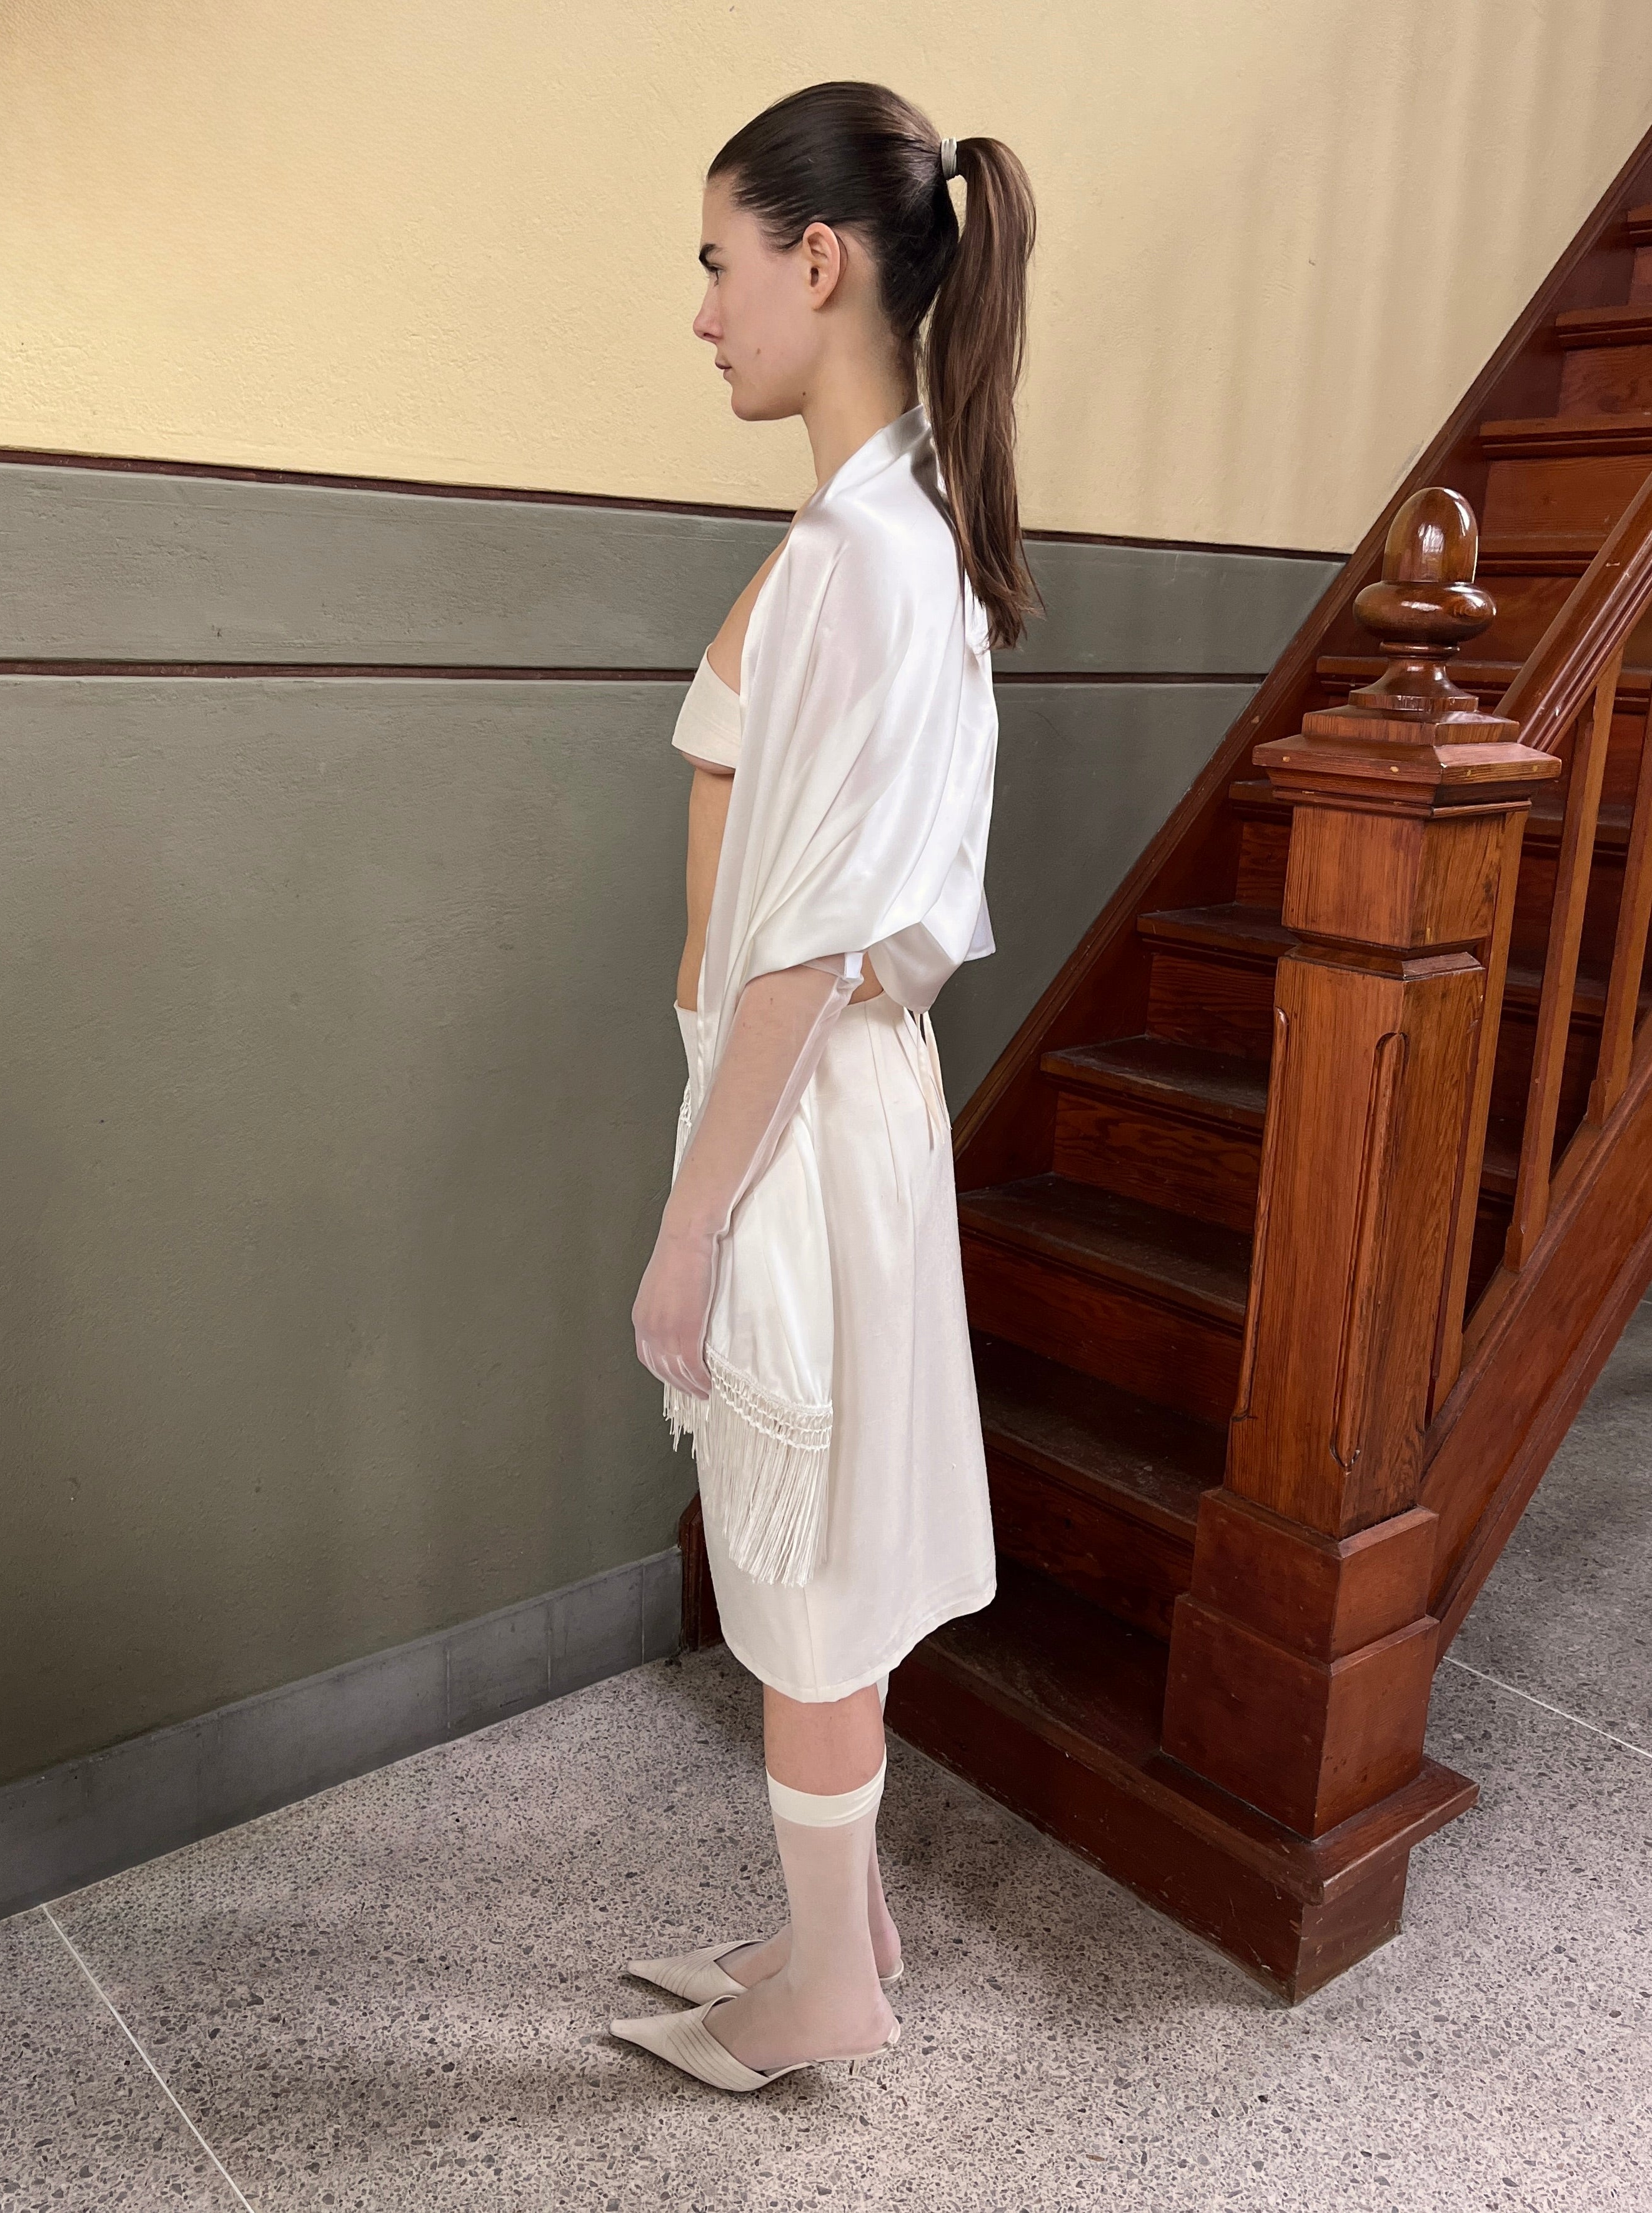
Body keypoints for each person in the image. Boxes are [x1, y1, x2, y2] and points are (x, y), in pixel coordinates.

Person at [614, 79, 1037, 2094]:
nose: (703, 312)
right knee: (817, 1541)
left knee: (799, 1567)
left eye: (720, 265)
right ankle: (833, 1925)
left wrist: (689, 1227)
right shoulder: (875, 529)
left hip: (792, 1114)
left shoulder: (872, 550)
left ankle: (828, 1995)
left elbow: (799, 946)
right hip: (808, 1100)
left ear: (816, 258)